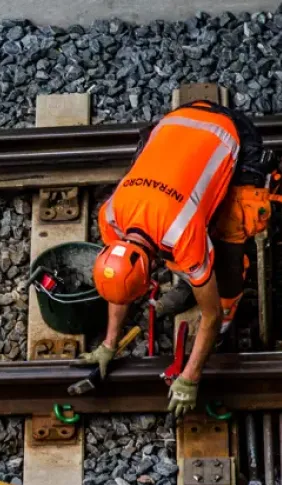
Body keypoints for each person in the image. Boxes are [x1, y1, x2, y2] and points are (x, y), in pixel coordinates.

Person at [81, 100, 275, 417]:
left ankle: (230, 303)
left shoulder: (181, 232)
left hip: (230, 132)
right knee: (190, 249)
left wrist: (190, 378)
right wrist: (109, 342)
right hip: (177, 121)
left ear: (150, 274)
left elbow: (208, 317)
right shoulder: (111, 215)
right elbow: (120, 280)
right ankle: (194, 280)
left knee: (230, 233)